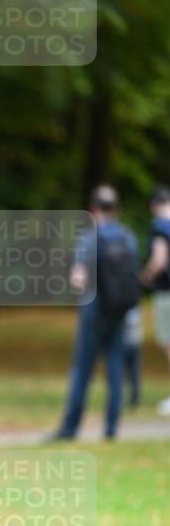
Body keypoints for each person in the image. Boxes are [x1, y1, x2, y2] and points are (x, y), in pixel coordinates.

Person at [51, 185, 140, 441]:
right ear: (117, 209)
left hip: (93, 311)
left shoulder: (90, 237)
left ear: (92, 208)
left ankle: (70, 428)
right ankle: (111, 429)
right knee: (114, 368)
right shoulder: (128, 237)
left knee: (82, 370)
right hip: (120, 311)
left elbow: (78, 277)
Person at [141, 185, 170, 416]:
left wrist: (145, 276)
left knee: (168, 342)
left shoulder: (160, 226)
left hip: (166, 292)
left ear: (154, 205)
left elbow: (159, 260)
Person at [122, 305, 143, 408]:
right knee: (126, 372)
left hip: (132, 343)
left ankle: (134, 398)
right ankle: (125, 397)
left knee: (133, 372)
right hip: (129, 342)